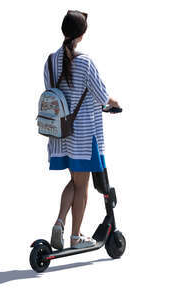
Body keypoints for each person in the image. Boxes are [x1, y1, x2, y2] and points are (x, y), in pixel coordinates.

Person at [44, 10, 121, 249]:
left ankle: (59, 223)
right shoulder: (85, 62)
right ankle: (75, 237)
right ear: (82, 34)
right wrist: (114, 104)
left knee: (75, 182)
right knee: (82, 186)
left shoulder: (50, 61)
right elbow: (101, 96)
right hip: (84, 135)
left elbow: (52, 94)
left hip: (60, 133)